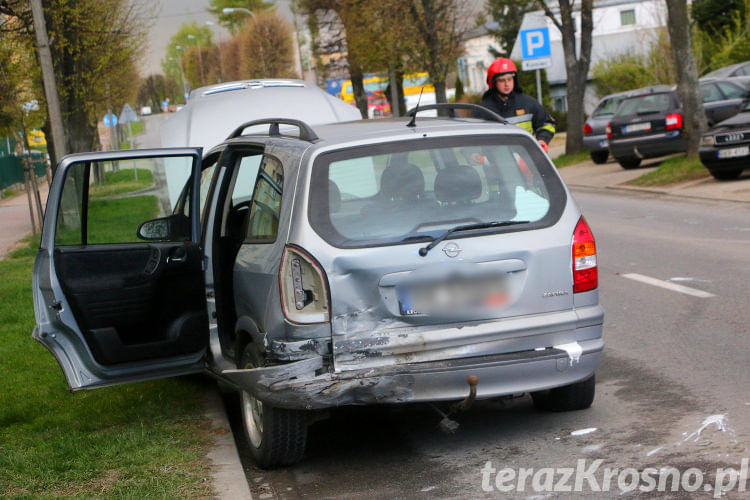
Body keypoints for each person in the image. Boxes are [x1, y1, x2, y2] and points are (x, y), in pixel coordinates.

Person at [476, 58, 556, 152]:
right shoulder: (482, 110)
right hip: (496, 163)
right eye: (502, 80)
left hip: (526, 160)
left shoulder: (528, 103)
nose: (507, 84)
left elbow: (547, 124)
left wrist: (542, 139)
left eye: (510, 79)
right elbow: (474, 139)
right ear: (493, 83)